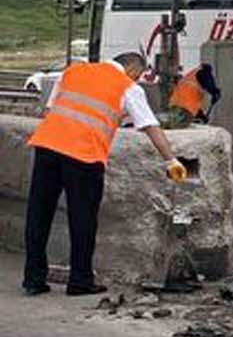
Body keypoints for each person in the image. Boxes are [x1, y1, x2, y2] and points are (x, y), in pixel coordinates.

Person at [22, 51, 187, 297]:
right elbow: (150, 127)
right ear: (132, 70)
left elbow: (50, 111)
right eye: (139, 75)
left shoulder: (73, 72)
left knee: (39, 213)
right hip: (84, 156)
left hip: (47, 146)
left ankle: (33, 279)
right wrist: (171, 160)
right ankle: (80, 281)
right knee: (82, 220)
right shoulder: (128, 87)